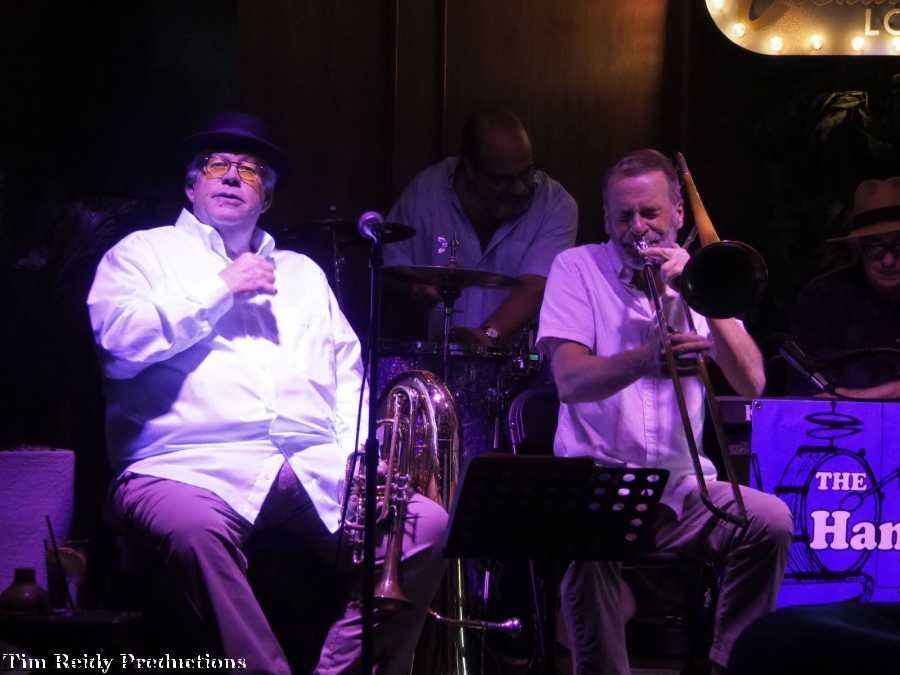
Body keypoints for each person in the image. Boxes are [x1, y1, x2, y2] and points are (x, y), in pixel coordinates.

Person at [87, 112, 447, 674]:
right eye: (217, 165)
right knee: (194, 532)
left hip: (312, 465)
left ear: (268, 198)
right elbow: (119, 346)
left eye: (250, 170)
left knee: (427, 525)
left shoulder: (302, 273)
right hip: (183, 467)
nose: (233, 176)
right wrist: (221, 288)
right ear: (191, 186)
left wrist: (360, 455)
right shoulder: (142, 254)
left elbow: (346, 374)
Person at [536, 149, 793, 675]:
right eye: (623, 216)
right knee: (585, 541)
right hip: (599, 481)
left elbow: (752, 383)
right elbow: (570, 381)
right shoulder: (577, 268)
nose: (638, 228)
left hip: (683, 487)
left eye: (650, 213)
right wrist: (643, 359)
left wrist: (702, 295)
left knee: (770, 522)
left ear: (678, 213)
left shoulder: (701, 277)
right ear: (605, 218)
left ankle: (727, 665)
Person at [384, 107, 578, 346]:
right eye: (502, 180)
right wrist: (414, 287)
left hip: (514, 363)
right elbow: (390, 268)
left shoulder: (554, 204)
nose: (519, 188)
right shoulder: (426, 191)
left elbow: (536, 287)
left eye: (526, 173)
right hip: (434, 356)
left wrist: (485, 336)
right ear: (469, 168)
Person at [790, 176, 900, 399]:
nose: (888, 260)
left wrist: (852, 396)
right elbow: (806, 391)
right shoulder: (822, 297)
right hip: (838, 421)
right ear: (858, 247)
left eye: (899, 244)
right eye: (875, 245)